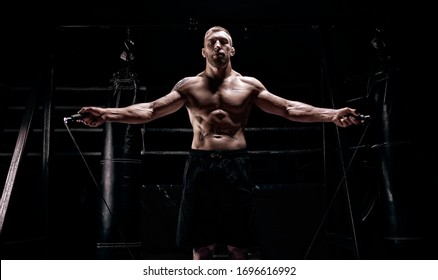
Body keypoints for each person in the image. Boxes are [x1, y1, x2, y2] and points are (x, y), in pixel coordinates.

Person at [77, 26, 363, 260]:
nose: (218, 46)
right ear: (203, 51)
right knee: (201, 246)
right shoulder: (188, 86)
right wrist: (106, 113)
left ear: (232, 49)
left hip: (236, 165)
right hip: (199, 166)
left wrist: (333, 114)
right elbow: (151, 110)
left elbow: (288, 108)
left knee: (241, 245)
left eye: (223, 42)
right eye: (212, 42)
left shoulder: (249, 85)